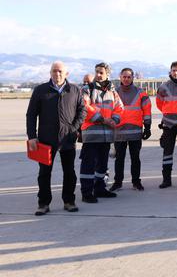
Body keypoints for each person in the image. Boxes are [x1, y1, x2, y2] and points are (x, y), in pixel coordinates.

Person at [26, 61, 86, 215]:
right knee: (44, 173)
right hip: (45, 140)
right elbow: (31, 114)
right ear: (50, 73)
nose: (57, 74)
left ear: (66, 74)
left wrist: (73, 129)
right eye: (54, 71)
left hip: (67, 138)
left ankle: (69, 201)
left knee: (69, 172)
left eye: (60, 71)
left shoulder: (75, 90)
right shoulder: (40, 90)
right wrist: (32, 136)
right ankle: (43, 203)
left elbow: (82, 112)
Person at [80, 62, 123, 203]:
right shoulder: (87, 89)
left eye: (101, 73)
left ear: (107, 75)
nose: (98, 75)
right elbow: (85, 107)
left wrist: (114, 121)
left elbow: (119, 108)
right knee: (88, 164)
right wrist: (104, 120)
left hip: (106, 136)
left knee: (102, 165)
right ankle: (86, 192)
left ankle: (100, 188)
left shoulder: (113, 92)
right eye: (96, 72)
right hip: (91, 135)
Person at [111, 68, 151, 191]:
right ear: (120, 77)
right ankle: (118, 182)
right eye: (124, 77)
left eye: (129, 77)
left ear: (133, 78)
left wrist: (147, 127)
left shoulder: (140, 93)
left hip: (135, 132)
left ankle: (136, 182)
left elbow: (147, 111)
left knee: (135, 158)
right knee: (119, 159)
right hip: (119, 131)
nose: (126, 79)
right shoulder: (114, 93)